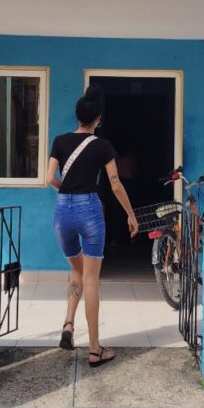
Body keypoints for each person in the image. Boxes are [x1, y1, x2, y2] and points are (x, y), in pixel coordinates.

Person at [46, 85, 139, 367]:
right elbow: (114, 184)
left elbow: (49, 178)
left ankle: (68, 325)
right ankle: (95, 349)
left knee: (75, 268)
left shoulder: (60, 141)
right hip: (90, 211)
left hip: (63, 210)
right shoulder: (102, 145)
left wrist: (67, 190)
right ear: (97, 118)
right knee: (90, 279)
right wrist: (130, 214)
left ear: (77, 116)